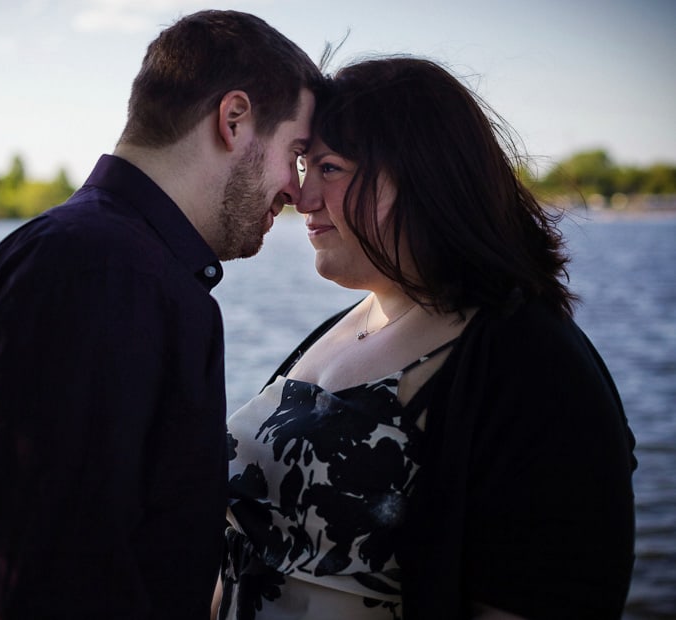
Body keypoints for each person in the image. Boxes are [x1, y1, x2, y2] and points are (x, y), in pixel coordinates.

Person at [0, 10, 322, 619]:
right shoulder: (106, 275)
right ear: (233, 120)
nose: (298, 190)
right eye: (297, 154)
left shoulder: (92, 254)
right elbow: (61, 581)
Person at [218, 57, 636, 619]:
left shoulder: (530, 360)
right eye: (301, 165)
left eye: (331, 169)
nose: (301, 195)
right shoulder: (347, 322)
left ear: (422, 178)